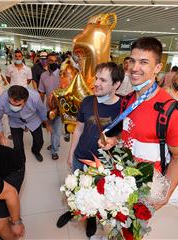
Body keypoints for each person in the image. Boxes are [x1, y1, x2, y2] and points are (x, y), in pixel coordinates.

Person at [99, 37, 178, 211]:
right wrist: (114, 140)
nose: (134, 68)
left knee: (132, 233)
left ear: (157, 67)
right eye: (132, 61)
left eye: (143, 62)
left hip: (147, 186)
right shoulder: (128, 101)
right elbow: (128, 132)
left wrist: (165, 195)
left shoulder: (171, 112)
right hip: (121, 178)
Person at [57, 62, 124, 237]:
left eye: (103, 80)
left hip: (102, 164)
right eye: (96, 78)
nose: (96, 83)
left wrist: (115, 139)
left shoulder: (123, 107)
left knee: (94, 195)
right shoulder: (87, 101)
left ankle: (91, 219)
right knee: (76, 189)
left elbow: (126, 137)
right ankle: (72, 211)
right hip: (80, 156)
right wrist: (71, 154)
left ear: (116, 84)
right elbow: (78, 129)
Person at [0, 85, 51, 163]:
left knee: (39, 141)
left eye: (18, 105)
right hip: (15, 122)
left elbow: (42, 110)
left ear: (25, 101)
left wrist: (47, 124)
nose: (13, 106)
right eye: (10, 103)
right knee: (18, 147)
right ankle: (21, 161)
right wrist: (1, 136)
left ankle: (35, 151)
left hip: (33, 119)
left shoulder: (35, 97)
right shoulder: (2, 101)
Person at [38, 53, 62, 160]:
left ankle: (54, 150)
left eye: (54, 61)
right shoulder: (43, 76)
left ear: (58, 62)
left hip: (61, 108)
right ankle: (55, 143)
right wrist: (40, 108)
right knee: (51, 128)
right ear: (46, 62)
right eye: (50, 61)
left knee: (57, 129)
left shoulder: (63, 75)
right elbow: (42, 92)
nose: (52, 63)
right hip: (49, 108)